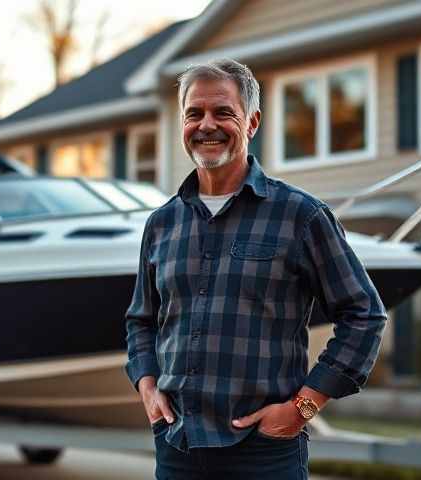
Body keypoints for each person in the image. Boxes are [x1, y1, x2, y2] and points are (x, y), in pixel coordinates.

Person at [124, 58, 387, 479]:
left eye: (223, 112)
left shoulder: (300, 216)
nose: (206, 124)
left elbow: (365, 315)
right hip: (178, 448)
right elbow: (141, 320)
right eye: (194, 113)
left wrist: (304, 408)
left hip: (264, 454)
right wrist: (147, 385)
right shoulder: (161, 224)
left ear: (252, 122)